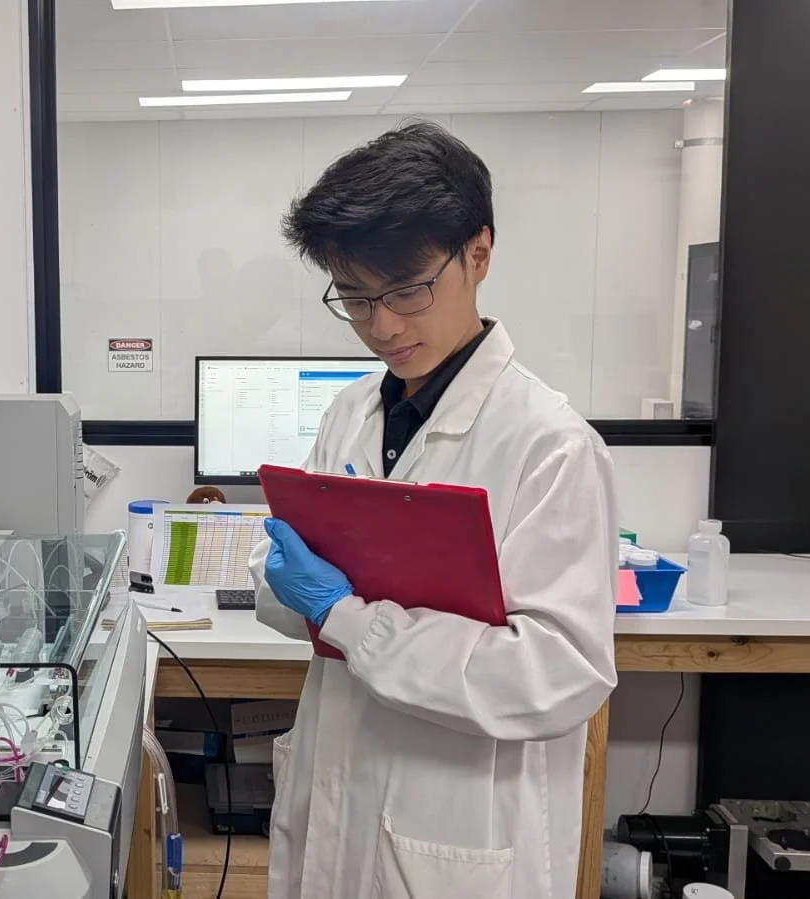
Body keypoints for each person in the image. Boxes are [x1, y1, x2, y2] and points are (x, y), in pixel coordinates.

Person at [253, 121, 619, 899]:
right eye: (353, 297)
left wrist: (348, 615)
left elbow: (557, 675)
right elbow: (293, 590)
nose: (380, 325)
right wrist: (280, 580)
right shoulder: (349, 413)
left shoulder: (549, 444)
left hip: (454, 836)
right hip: (336, 804)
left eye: (407, 290)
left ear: (477, 253)